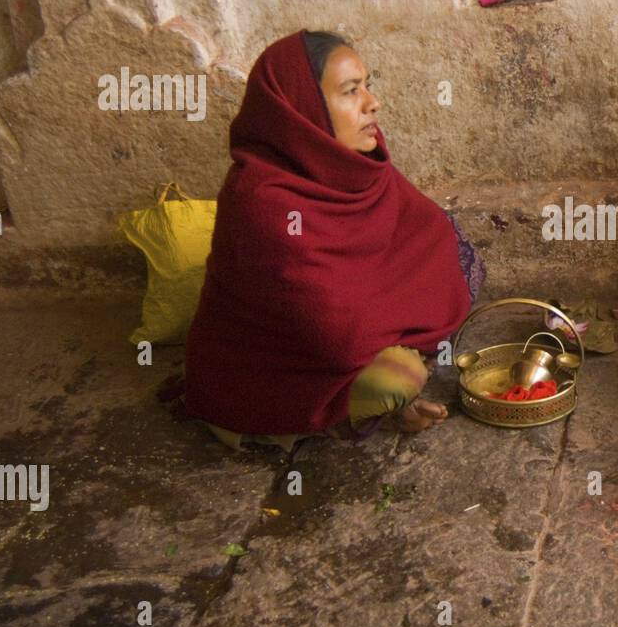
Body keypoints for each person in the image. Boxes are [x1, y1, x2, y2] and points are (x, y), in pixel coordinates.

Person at [183, 30, 483, 451]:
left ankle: (400, 352)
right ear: (300, 110)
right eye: (349, 92)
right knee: (397, 378)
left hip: (350, 326)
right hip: (277, 378)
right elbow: (339, 340)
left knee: (451, 243)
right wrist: (403, 318)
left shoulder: (354, 163)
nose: (371, 102)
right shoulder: (262, 202)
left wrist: (399, 294)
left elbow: (424, 228)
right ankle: (324, 418)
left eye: (367, 85)